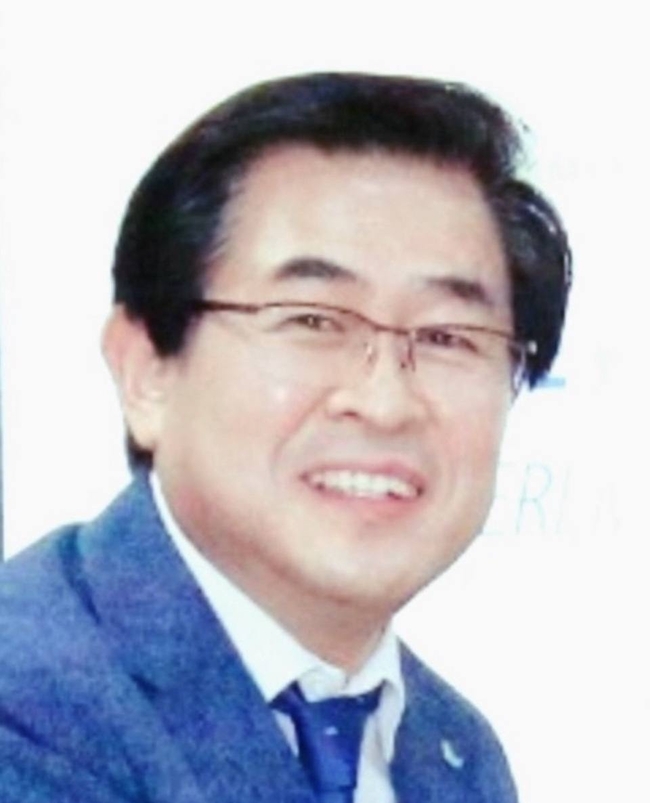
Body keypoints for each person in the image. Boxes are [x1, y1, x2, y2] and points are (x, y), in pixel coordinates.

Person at [0, 72, 570, 802]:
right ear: (146, 372)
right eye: (313, 320)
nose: (385, 402)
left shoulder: (453, 752)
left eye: (447, 337)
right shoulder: (28, 711)